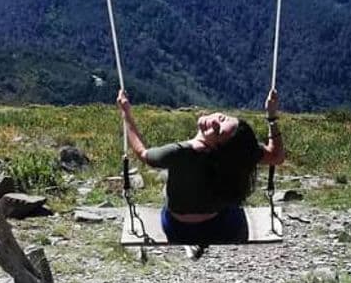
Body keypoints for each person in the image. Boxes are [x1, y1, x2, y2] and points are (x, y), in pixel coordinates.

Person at [117, 88, 284, 250]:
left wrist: (126, 114)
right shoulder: (237, 154)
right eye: (221, 118)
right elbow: (276, 156)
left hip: (178, 230)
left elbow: (143, 153)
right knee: (231, 195)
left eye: (217, 130)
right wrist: (271, 118)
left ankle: (194, 244)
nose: (213, 122)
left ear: (217, 148)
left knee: (168, 192)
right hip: (227, 230)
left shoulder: (178, 153)